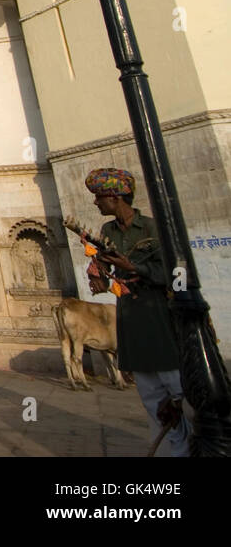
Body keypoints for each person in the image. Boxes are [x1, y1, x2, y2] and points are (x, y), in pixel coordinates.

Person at [82, 167, 191, 457]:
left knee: (178, 393)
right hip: (132, 318)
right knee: (151, 397)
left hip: (159, 316)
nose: (96, 203)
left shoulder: (154, 228)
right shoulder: (107, 232)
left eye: (100, 197)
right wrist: (98, 271)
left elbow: (177, 274)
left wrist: (135, 268)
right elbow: (108, 271)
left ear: (116, 197)